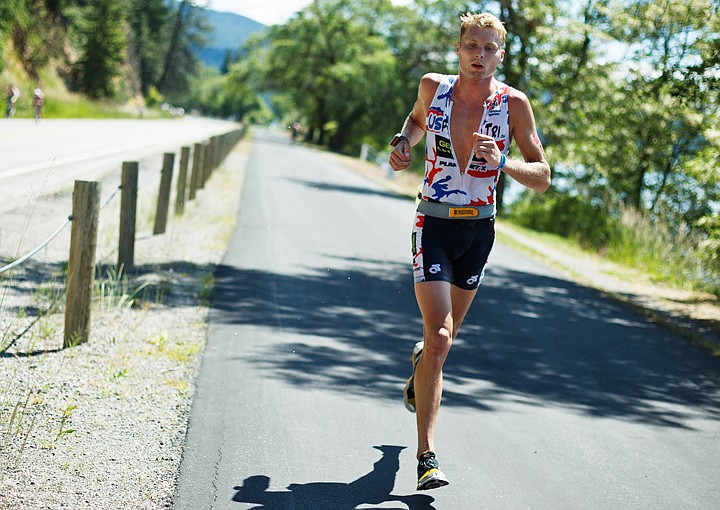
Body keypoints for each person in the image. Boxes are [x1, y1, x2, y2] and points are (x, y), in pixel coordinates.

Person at [388, 12, 551, 491]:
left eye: (489, 49)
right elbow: (415, 124)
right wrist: (403, 143)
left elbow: (543, 176)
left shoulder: (513, 104)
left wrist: (503, 162)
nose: (479, 56)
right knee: (438, 334)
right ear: (458, 48)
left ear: (501, 54)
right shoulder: (431, 88)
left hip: (479, 232)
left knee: (444, 341)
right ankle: (427, 458)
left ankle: (421, 367)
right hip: (432, 222)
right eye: (471, 46)